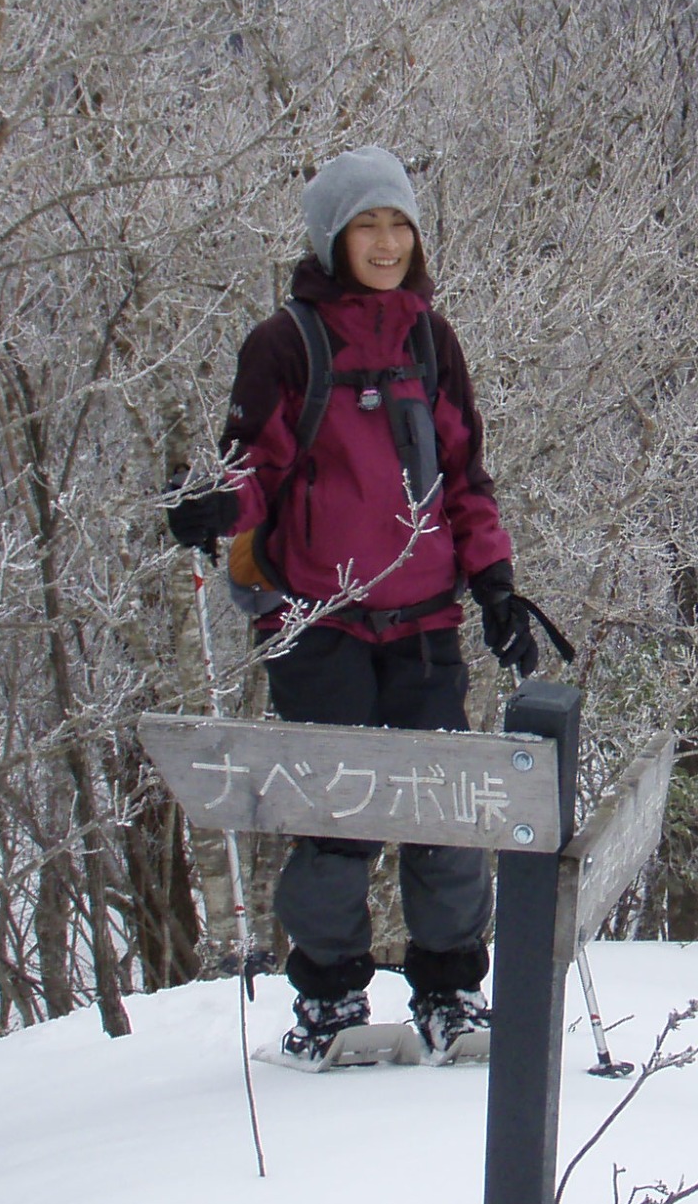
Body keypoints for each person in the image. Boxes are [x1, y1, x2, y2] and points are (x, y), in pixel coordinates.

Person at [167, 146, 550, 1065]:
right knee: (336, 817)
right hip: (317, 622)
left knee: (445, 811)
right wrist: (215, 504)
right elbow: (254, 464)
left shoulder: (430, 340)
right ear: (331, 238)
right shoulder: (286, 344)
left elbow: (464, 475)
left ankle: (452, 993)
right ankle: (330, 1002)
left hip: (424, 622)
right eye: (364, 225)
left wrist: (494, 584)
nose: (384, 241)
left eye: (397, 223)